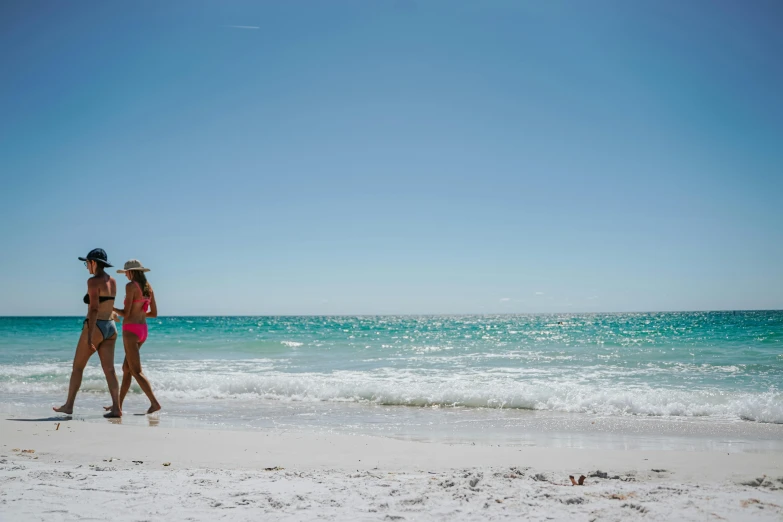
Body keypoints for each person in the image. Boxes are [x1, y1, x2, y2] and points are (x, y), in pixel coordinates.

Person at [54, 249, 122, 418]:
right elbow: (108, 305)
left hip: (96, 326)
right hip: (111, 326)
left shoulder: (92, 282)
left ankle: (69, 405)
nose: (86, 267)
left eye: (87, 263)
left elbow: (93, 308)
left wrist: (90, 335)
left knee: (77, 367)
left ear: (94, 263)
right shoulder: (113, 281)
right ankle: (117, 408)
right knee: (110, 371)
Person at [112, 259, 161, 414]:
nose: (125, 274)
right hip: (143, 330)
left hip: (131, 330)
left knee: (136, 371)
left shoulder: (130, 286)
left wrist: (111, 308)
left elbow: (126, 314)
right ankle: (117, 406)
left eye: (126, 272)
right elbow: (153, 313)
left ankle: (154, 403)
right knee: (127, 368)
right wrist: (139, 313)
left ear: (131, 272)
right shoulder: (148, 287)